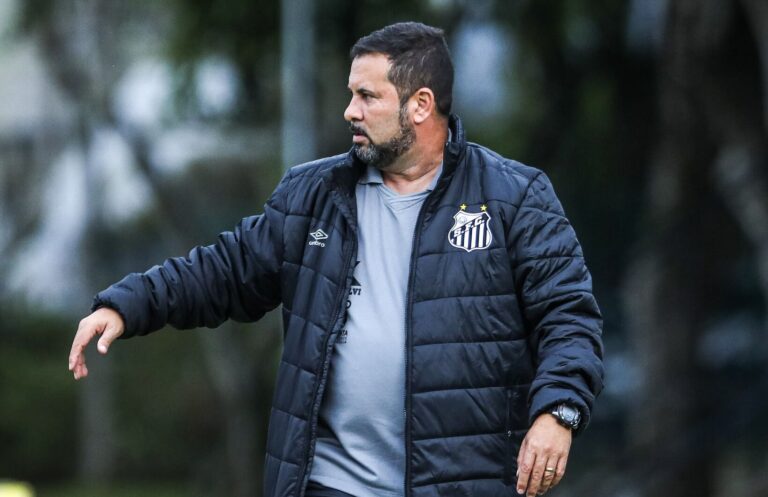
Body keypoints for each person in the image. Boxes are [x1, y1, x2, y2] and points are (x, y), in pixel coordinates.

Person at [68, 22, 603, 497]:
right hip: (331, 482)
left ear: (419, 105)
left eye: (367, 96)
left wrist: (558, 412)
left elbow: (568, 317)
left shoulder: (515, 197)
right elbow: (226, 270)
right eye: (351, 94)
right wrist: (127, 304)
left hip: (464, 481)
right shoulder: (313, 193)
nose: (350, 110)